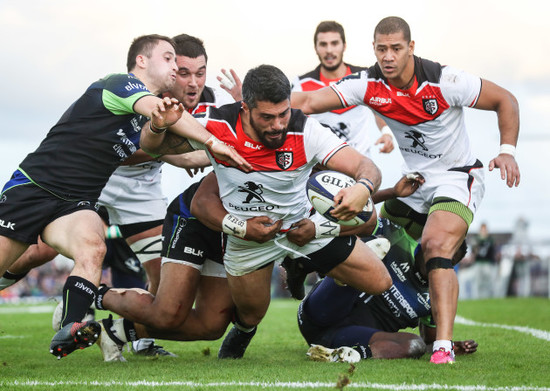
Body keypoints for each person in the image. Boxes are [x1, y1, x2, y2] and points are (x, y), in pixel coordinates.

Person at [0, 34, 248, 360]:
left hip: (80, 201)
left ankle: (71, 326)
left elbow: (173, 151)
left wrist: (239, 146)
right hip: (35, 189)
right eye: (170, 59)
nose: (178, 69)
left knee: (94, 248)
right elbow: (158, 126)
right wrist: (213, 142)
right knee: (32, 256)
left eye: (189, 67)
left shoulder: (154, 117)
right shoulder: (120, 85)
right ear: (142, 61)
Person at [291, 16, 520, 364]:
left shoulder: (446, 81)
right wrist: (257, 102)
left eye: (396, 48)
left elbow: (505, 99)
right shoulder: (367, 83)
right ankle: (303, 262)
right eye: (381, 49)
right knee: (368, 226)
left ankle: (442, 347)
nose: (388, 56)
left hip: (455, 177)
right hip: (413, 182)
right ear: (373, 49)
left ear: (411, 48)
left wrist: (507, 150)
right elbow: (307, 102)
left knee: (435, 246)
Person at [142, 64, 393, 360]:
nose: (277, 125)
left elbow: (366, 166)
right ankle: (245, 330)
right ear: (245, 108)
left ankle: (301, 262)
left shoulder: (306, 129)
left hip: (302, 225)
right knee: (251, 313)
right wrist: (157, 126)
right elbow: (153, 147)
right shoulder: (216, 125)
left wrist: (362, 187)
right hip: (249, 238)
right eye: (267, 117)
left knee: (380, 281)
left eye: (283, 114)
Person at [298, 218, 478, 362]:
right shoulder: (395, 236)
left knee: (415, 345)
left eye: (446, 261)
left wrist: (446, 345)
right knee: (360, 261)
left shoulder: (437, 296)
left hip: (345, 337)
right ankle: (346, 274)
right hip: (319, 312)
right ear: (427, 242)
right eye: (437, 253)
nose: (437, 262)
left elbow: (429, 343)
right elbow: (363, 220)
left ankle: (347, 355)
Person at [291, 20, 393, 157]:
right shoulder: (301, 84)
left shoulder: (365, 77)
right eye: (323, 44)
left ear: (344, 46)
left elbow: (379, 109)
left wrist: (386, 133)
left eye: (334, 43)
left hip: (361, 167)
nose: (329, 50)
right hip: (320, 168)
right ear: (315, 48)